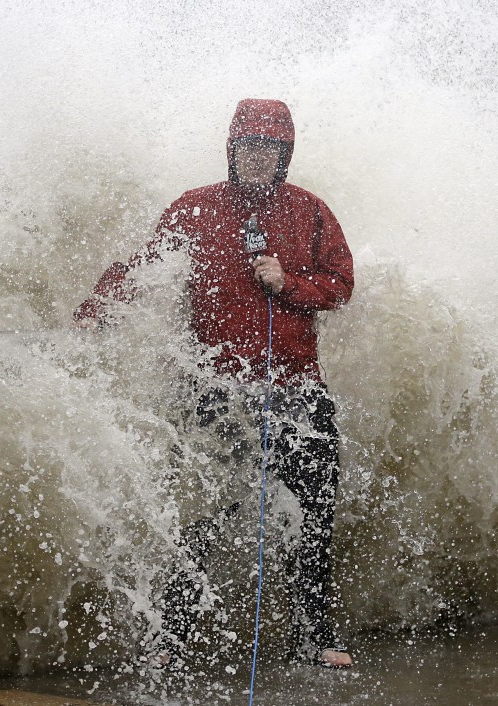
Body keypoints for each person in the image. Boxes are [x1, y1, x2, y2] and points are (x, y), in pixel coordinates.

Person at [74, 99, 354, 669]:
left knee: (314, 514)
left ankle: (313, 637)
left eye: (271, 148)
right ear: (232, 149)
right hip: (214, 390)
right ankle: (172, 636)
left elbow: (341, 285)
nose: (258, 157)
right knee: (201, 511)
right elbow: (146, 265)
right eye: (249, 145)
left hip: (296, 389)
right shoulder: (195, 208)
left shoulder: (312, 212)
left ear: (286, 153)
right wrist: (90, 314)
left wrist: (290, 281)